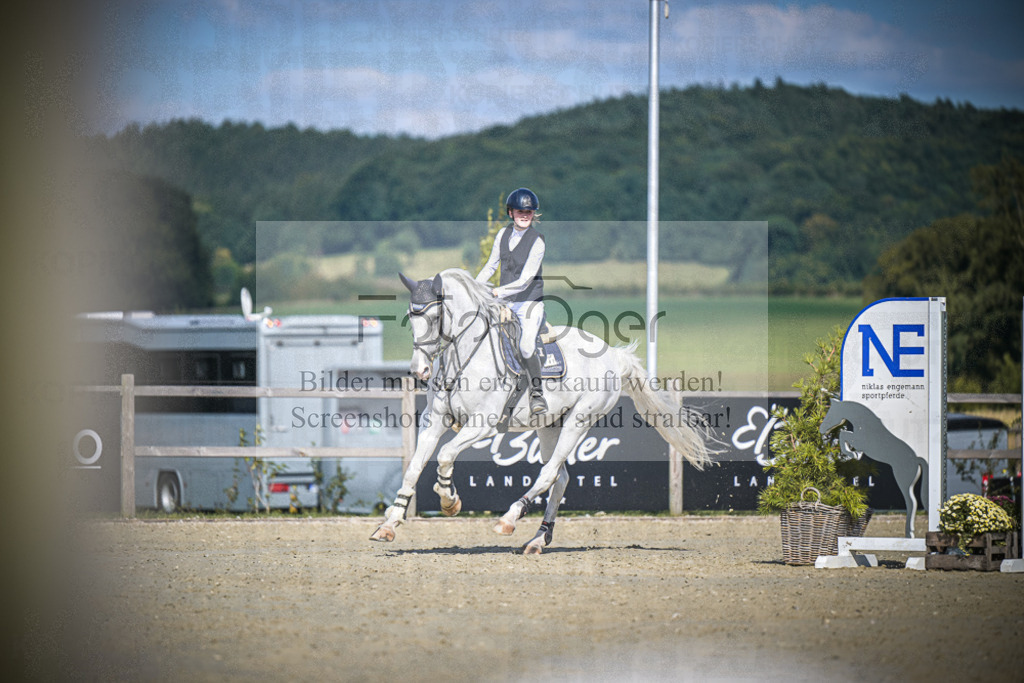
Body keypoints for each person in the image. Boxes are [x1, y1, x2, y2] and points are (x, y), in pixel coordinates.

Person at [476, 187, 547, 415]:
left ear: (533, 214)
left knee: (526, 346)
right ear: (511, 213)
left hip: (529, 303)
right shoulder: (503, 234)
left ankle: (537, 394)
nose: (524, 215)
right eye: (520, 211)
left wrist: (497, 292)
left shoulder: (537, 242)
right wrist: (475, 287)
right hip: (505, 303)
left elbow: (526, 281)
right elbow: (491, 265)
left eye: (528, 212)